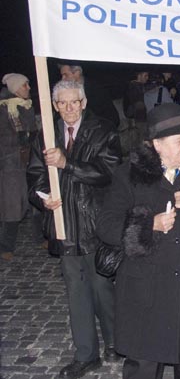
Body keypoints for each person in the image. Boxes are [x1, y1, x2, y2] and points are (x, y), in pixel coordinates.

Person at [96, 103, 180, 379]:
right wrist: (147, 225)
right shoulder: (128, 175)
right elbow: (106, 225)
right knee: (144, 364)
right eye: (179, 140)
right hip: (146, 292)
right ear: (157, 144)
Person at [27, 80, 122, 377]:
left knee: (102, 288)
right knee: (76, 293)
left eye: (74, 102)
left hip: (94, 224)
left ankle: (116, 343)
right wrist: (43, 198)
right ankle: (86, 353)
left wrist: (68, 163)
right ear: (54, 106)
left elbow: (109, 173)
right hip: (63, 225)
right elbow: (35, 175)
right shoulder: (45, 134)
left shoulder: (103, 130)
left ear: (83, 103)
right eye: (62, 103)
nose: (68, 109)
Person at [0, 73, 36, 261]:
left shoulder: (26, 106)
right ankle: (6, 245)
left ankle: (41, 237)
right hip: (11, 165)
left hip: (29, 160)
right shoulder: (5, 110)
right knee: (12, 206)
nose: (28, 88)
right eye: (24, 85)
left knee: (37, 200)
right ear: (15, 88)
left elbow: (32, 131)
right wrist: (20, 139)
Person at [59, 63, 120, 128]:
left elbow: (113, 119)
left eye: (65, 75)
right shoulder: (63, 94)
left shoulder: (96, 90)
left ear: (77, 73)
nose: (62, 79)